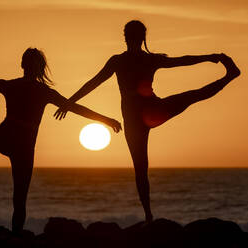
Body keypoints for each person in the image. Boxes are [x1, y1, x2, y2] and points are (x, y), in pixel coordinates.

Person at [54, 20, 240, 223]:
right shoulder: (136, 60)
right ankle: (149, 215)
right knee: (190, 99)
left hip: (141, 115)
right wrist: (211, 57)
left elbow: (93, 82)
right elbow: (183, 60)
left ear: (129, 38)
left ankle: (149, 216)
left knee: (141, 166)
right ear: (138, 38)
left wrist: (68, 103)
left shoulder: (125, 60)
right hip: (148, 114)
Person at [0, 48, 122, 233]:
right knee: (19, 199)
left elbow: (75, 108)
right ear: (31, 66)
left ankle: (16, 237)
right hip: (14, 144)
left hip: (10, 142)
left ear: (24, 65)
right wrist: (107, 120)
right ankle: (16, 238)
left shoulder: (25, 88)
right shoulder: (31, 89)